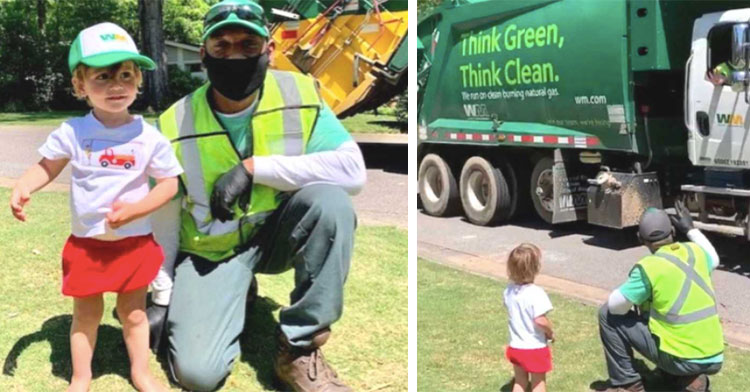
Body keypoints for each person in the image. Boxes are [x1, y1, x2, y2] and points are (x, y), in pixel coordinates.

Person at [145, 1, 366, 391]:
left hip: (278, 234)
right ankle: (236, 290)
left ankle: (298, 348)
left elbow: (352, 172)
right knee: (198, 375)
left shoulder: (299, 94)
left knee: (330, 203)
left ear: (270, 51)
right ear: (204, 54)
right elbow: (164, 216)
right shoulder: (172, 125)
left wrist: (254, 169)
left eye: (248, 44)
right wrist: (160, 295)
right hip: (214, 252)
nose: (234, 54)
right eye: (222, 45)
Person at [9, 22, 183, 392]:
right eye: (102, 77)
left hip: (133, 244)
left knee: (133, 314)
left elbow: (169, 184)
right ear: (79, 86)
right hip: (87, 245)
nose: (116, 85)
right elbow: (46, 167)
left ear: (138, 81)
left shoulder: (148, 136)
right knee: (86, 315)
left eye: (125, 75)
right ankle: (81, 377)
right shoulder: (73, 132)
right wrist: (23, 187)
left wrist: (136, 210)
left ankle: (141, 371)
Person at [597, 202, 723, 392]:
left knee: (606, 315)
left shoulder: (649, 267)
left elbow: (615, 307)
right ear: (673, 230)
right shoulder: (695, 251)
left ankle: (628, 383)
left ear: (640, 239)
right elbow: (714, 258)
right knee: (661, 319)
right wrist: (691, 229)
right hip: (714, 356)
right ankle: (687, 379)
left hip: (682, 358)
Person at [503, 243, 554, 392]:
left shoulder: (509, 291)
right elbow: (540, 320)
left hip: (516, 346)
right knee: (538, 383)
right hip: (534, 348)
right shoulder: (536, 293)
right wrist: (550, 332)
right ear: (535, 268)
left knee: (520, 382)